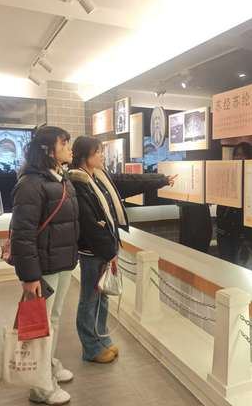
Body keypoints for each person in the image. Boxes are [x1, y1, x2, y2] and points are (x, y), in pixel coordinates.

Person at [68, 136, 176, 364]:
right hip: (92, 252)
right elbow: (89, 225)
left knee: (103, 296)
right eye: (98, 152)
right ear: (85, 156)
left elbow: (130, 181)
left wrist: (162, 179)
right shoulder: (78, 183)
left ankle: (102, 339)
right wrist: (109, 253)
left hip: (106, 248)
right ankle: (91, 348)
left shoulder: (98, 177)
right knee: (90, 299)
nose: (102, 155)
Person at [10, 126, 79, 406]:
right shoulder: (31, 184)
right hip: (43, 268)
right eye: (65, 143)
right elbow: (22, 234)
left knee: (54, 318)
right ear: (48, 150)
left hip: (62, 262)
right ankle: (40, 387)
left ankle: (47, 364)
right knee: (40, 325)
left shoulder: (60, 178)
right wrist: (30, 276)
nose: (69, 148)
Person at [216, 143, 252, 268]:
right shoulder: (228, 176)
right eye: (236, 155)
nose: (238, 157)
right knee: (225, 268)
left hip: (245, 236)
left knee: (243, 269)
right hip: (225, 233)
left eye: (242, 154)